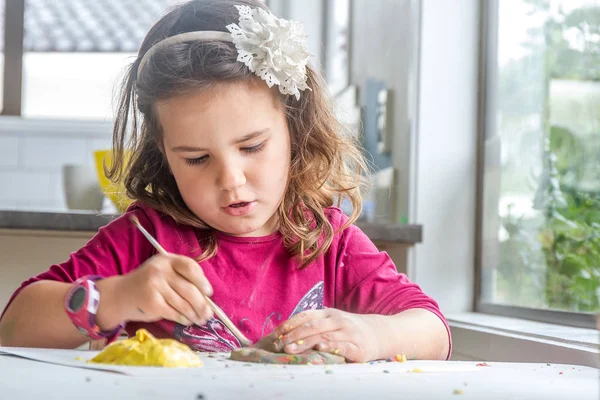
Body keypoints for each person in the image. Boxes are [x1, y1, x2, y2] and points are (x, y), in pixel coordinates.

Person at [0, 0, 451, 363]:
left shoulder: (327, 240)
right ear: (163, 155)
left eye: (252, 147)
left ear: (295, 128)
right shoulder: (145, 239)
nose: (231, 181)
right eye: (196, 158)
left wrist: (371, 334)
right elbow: (13, 330)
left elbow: (434, 331)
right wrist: (115, 297)